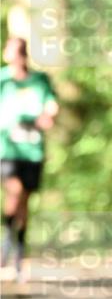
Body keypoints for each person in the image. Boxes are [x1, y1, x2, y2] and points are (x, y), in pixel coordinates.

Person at [0, 36, 59, 279]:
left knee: (24, 200)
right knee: (14, 191)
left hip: (32, 151)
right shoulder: (2, 79)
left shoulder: (40, 80)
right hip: (7, 150)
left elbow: (51, 107)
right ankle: (6, 238)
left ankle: (18, 254)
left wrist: (47, 117)